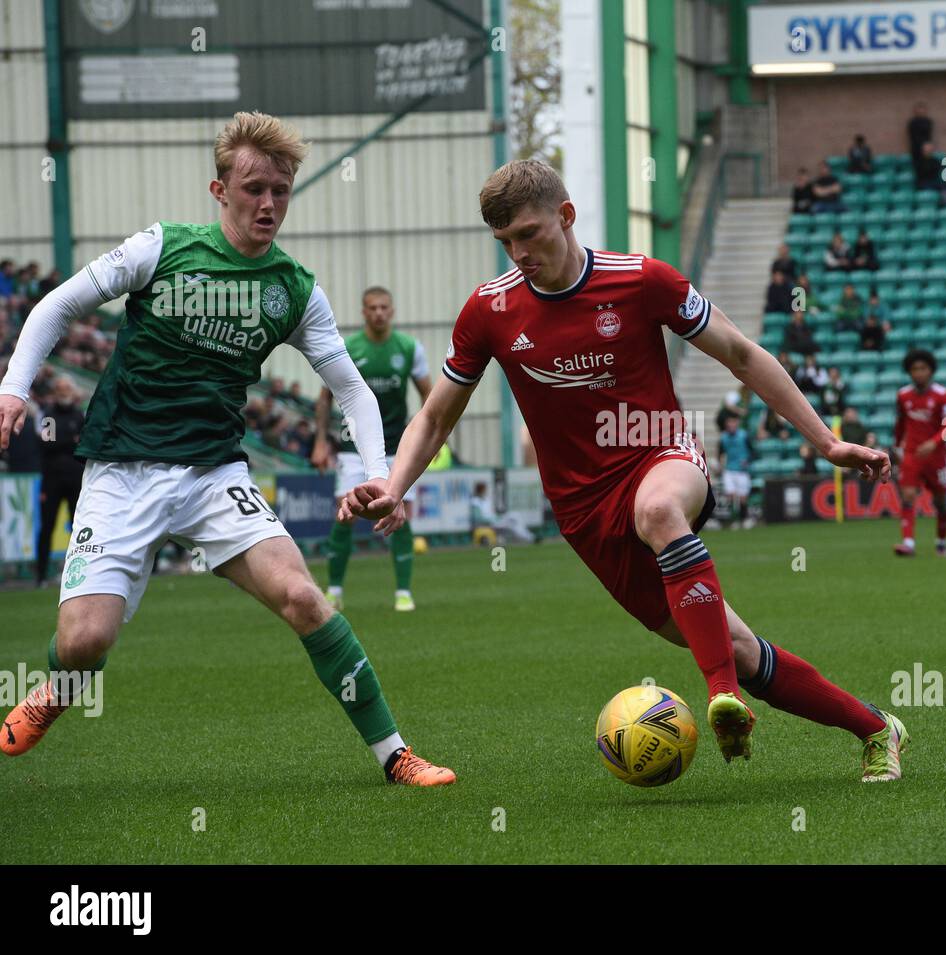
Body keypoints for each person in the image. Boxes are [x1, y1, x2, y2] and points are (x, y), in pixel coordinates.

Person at [343, 158, 910, 779]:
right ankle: (876, 727)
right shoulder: (489, 311)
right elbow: (435, 416)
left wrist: (828, 443)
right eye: (504, 241)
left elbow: (742, 354)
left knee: (660, 511)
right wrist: (394, 487)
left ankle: (724, 697)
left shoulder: (642, 280)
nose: (518, 252)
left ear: (566, 216)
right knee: (743, 649)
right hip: (584, 514)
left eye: (528, 233)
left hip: (661, 454)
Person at [0, 111, 454, 785]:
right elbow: (57, 305)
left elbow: (354, 393)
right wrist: (15, 387)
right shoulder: (163, 248)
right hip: (122, 470)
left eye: (280, 188)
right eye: (252, 188)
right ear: (220, 191)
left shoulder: (295, 290)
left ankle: (394, 754)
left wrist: (381, 476)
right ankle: (60, 686)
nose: (267, 202)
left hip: (215, 474)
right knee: (85, 642)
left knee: (304, 597)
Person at [311, 286, 433, 613]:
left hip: (398, 446)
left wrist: (432, 439)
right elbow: (324, 399)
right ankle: (334, 591)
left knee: (399, 514)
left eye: (383, 307)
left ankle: (404, 593)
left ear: (391, 311)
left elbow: (429, 396)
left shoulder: (409, 348)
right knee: (346, 513)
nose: (378, 312)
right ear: (363, 312)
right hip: (353, 446)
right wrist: (321, 441)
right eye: (372, 308)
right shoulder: (347, 347)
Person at [893, 349, 946, 557]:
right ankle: (908, 543)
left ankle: (941, 541)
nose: (918, 373)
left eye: (923, 368)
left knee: (941, 502)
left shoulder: (943, 395)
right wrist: (897, 446)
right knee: (908, 496)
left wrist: (933, 443)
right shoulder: (903, 395)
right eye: (914, 369)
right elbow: (900, 423)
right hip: (911, 454)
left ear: (931, 370)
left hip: (936, 457)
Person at [35, 377, 86, 588]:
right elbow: (48, 445)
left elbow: (83, 444)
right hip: (52, 481)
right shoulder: (49, 415)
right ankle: (41, 577)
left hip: (76, 479)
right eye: (60, 388)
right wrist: (71, 440)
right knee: (47, 527)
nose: (63, 392)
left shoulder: (79, 415)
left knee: (80, 528)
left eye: (67, 388)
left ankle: (80, 573)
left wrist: (67, 442)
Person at [717, 416, 755, 529]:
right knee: (730, 495)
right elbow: (720, 453)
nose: (731, 425)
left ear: (737, 423)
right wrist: (720, 464)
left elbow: (753, 452)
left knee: (743, 497)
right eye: (729, 423)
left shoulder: (744, 436)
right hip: (729, 470)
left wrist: (747, 461)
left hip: (742, 471)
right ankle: (733, 520)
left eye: (733, 422)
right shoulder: (723, 438)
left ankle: (744, 519)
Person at [470, 481, 535, 543]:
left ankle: (529, 536)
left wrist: (496, 517)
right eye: (485, 489)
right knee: (512, 525)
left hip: (496, 520)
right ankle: (530, 538)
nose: (486, 491)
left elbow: (490, 513)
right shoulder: (475, 501)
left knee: (515, 515)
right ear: (481, 490)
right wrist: (492, 520)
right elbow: (478, 518)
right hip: (489, 523)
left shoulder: (486, 499)